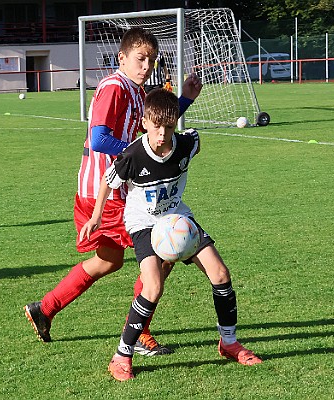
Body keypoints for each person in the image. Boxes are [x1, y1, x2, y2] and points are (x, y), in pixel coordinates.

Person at [24, 27, 203, 356]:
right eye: (140, 58)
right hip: (102, 192)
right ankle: (141, 334)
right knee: (163, 249)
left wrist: (184, 100)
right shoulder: (114, 87)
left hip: (113, 189)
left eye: (151, 60)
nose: (146, 65)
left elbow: (155, 128)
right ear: (121, 57)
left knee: (109, 261)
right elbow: (99, 139)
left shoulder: (137, 90)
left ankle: (44, 308)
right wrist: (136, 157)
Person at [80, 88, 262, 381]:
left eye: (168, 126)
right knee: (152, 287)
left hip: (178, 219)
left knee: (220, 274)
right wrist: (96, 217)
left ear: (175, 122)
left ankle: (229, 343)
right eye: (156, 126)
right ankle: (121, 355)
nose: (162, 133)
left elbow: (195, 144)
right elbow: (108, 181)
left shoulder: (187, 142)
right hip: (143, 224)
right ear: (144, 123)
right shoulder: (133, 155)